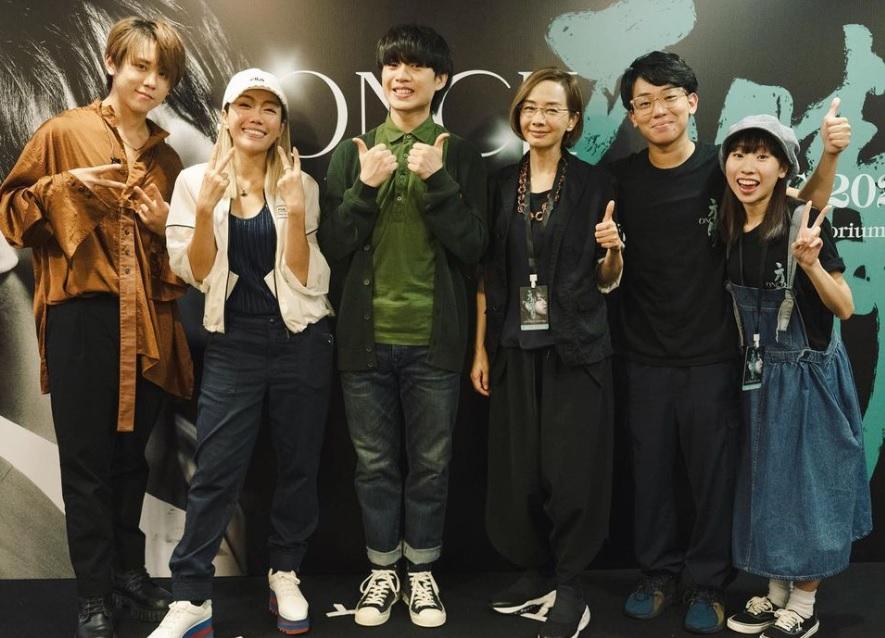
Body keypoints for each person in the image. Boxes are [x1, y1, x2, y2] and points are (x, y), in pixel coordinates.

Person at [610, 51, 850, 634]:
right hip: (642, 353)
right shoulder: (620, 178)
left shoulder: (724, 170)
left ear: (692, 102)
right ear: (632, 115)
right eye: (644, 101)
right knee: (651, 476)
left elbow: (803, 203)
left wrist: (831, 155)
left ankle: (708, 584)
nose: (658, 110)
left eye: (669, 97)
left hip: (720, 356)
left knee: (718, 480)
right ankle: (657, 574)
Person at [0, 17, 191, 638]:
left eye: (163, 73)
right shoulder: (63, 132)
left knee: (134, 459)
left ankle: (129, 573)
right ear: (112, 62)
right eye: (140, 65)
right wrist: (67, 188)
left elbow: (184, 259)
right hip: (82, 316)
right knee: (85, 462)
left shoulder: (167, 158)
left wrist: (164, 224)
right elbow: (11, 217)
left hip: (151, 321)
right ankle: (92, 593)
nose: (150, 81)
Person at [149, 68, 333, 638]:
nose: (256, 117)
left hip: (301, 338)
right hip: (234, 343)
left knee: (298, 465)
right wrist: (206, 209)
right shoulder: (195, 181)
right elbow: (198, 273)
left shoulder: (300, 183)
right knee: (216, 471)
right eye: (244, 105)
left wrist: (295, 211)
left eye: (269, 108)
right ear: (225, 115)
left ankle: (285, 573)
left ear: (281, 123)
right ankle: (191, 596)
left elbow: (304, 278)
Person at [319, 23, 487, 629]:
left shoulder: (458, 154)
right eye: (393, 65)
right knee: (374, 467)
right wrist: (364, 188)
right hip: (364, 342)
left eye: (415, 66)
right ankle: (383, 571)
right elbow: (331, 246)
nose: (402, 75)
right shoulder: (355, 151)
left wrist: (439, 180)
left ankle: (421, 573)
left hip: (434, 341)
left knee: (432, 468)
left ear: (439, 80)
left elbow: (476, 247)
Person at [469, 67, 622, 638]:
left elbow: (609, 279)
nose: (539, 118)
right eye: (531, 107)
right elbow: (488, 272)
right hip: (513, 344)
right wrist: (480, 349)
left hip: (576, 348)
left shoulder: (596, 184)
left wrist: (613, 251)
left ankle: (572, 582)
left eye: (552, 109)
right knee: (520, 473)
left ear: (572, 120)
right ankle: (534, 571)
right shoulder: (498, 183)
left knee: (572, 471)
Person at [718, 115, 871, 638]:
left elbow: (845, 306)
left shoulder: (804, 221)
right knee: (766, 484)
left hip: (808, 379)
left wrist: (810, 266)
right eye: (740, 154)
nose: (748, 167)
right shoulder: (728, 225)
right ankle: (776, 589)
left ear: (784, 169)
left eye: (763, 156)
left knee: (810, 488)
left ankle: (803, 603)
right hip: (758, 378)